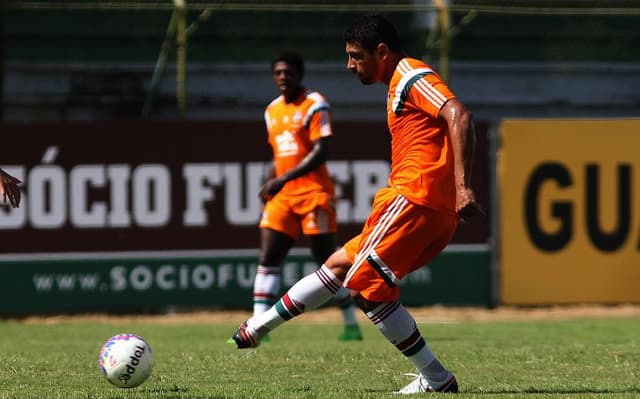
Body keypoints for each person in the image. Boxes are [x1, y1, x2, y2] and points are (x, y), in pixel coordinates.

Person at [231, 15, 482, 394]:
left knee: (367, 291)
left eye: (355, 56)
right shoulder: (398, 83)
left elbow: (459, 115)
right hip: (425, 206)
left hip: (413, 199)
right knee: (337, 265)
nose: (350, 66)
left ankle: (437, 379)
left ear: (381, 51)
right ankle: (257, 327)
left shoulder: (411, 76)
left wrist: (463, 187)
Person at [250, 51, 362, 341]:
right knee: (268, 257)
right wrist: (271, 182)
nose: (283, 78)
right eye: (278, 73)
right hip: (283, 197)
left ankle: (351, 324)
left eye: (288, 72)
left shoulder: (315, 104)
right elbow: (279, 155)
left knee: (327, 260)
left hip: (314, 194)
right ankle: (257, 327)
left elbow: (321, 151)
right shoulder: (271, 110)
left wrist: (282, 179)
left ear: (300, 74)